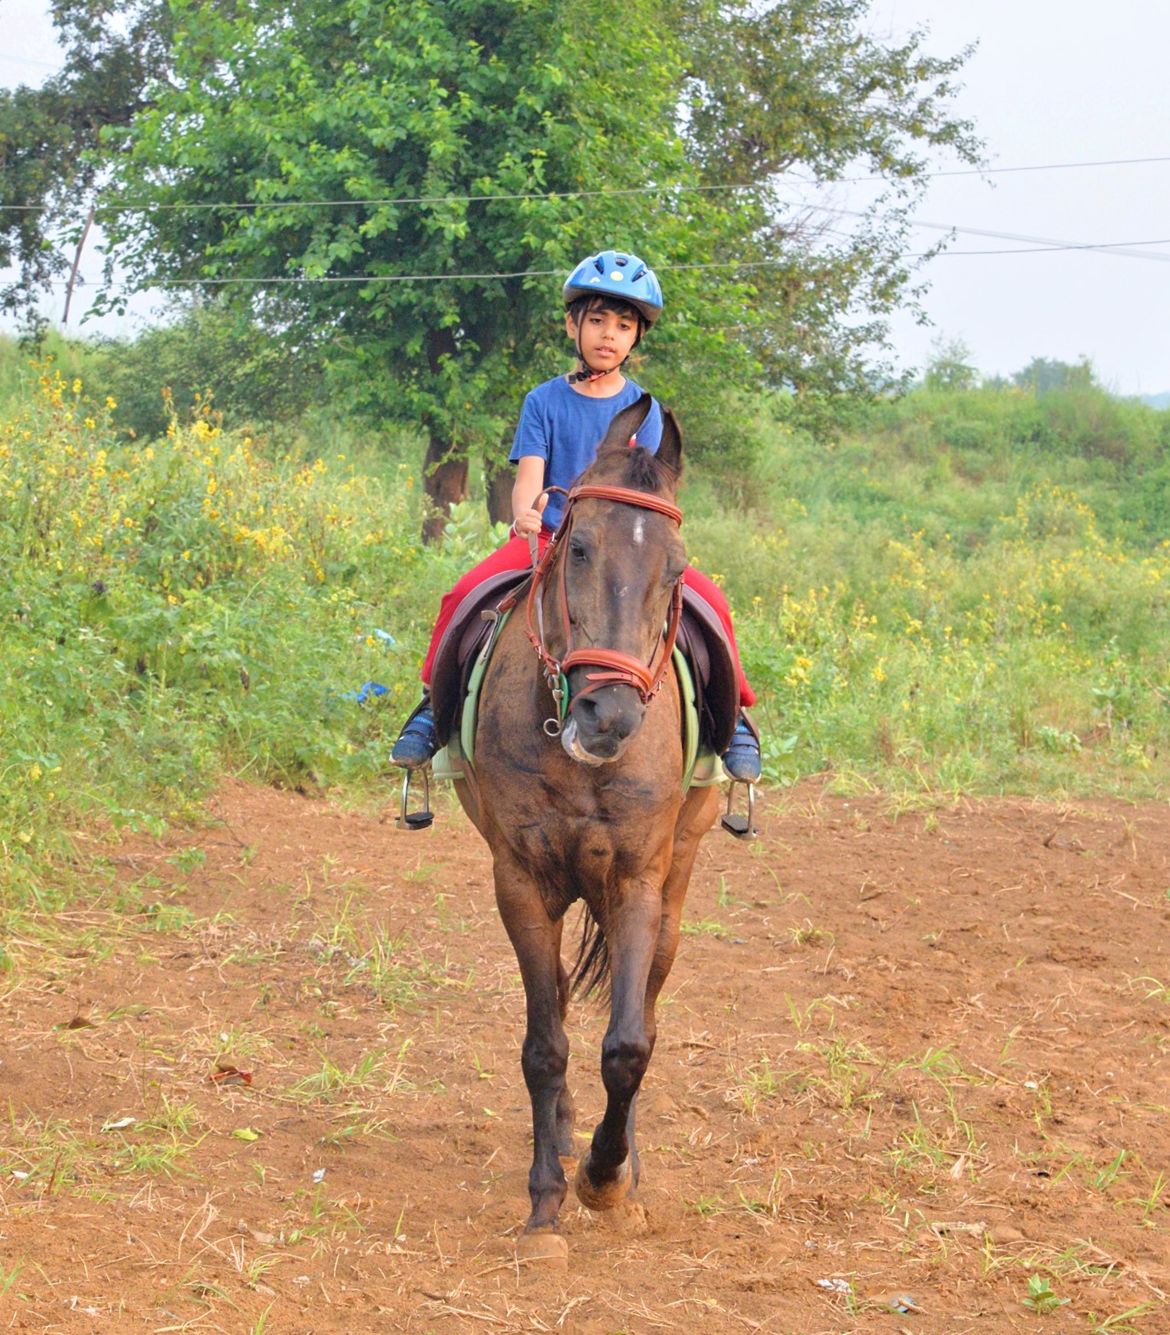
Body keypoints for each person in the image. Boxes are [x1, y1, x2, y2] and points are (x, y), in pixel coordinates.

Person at [391, 248, 761, 781]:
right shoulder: (542, 402)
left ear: (636, 338)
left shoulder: (647, 411)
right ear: (572, 325)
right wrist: (526, 516)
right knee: (463, 592)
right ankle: (433, 708)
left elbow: (651, 489)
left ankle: (733, 719)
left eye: (623, 325)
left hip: (624, 549)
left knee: (713, 604)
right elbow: (530, 481)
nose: (608, 334)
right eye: (596, 320)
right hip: (551, 535)